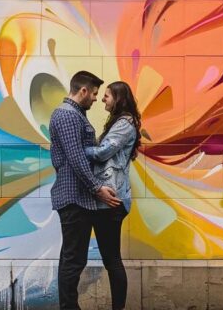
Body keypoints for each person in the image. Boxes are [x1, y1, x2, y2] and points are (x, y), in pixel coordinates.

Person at [49, 70, 122, 310]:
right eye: (94, 94)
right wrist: (97, 188)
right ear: (83, 91)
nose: (95, 99)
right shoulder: (67, 115)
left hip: (80, 197)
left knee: (73, 258)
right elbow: (76, 157)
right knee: (73, 260)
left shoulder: (75, 115)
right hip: (74, 197)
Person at [85, 81, 140, 310]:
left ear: (118, 98)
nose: (102, 99)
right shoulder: (120, 122)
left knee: (113, 260)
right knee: (111, 259)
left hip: (111, 201)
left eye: (106, 95)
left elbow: (103, 152)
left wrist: (78, 150)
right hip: (108, 201)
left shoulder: (125, 123)